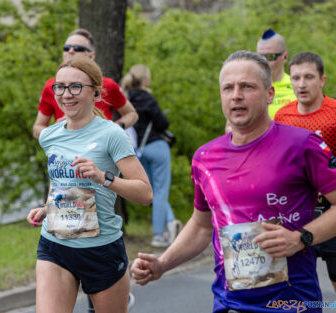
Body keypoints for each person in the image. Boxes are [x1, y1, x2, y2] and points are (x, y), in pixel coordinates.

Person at [131, 50, 336, 313]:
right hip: (230, 304)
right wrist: (162, 263)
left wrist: (301, 238)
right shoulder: (205, 157)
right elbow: (202, 225)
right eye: (228, 88)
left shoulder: (302, 144)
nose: (236, 95)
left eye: (247, 86)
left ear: (269, 94)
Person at [27, 56, 152, 313]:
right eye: (60, 87)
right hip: (55, 244)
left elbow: (145, 193)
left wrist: (103, 177)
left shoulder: (111, 134)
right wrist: (47, 207)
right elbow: (60, 182)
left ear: (95, 93)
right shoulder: (50, 135)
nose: (66, 95)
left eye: (75, 87)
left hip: (100, 249)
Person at [275, 52, 336, 292]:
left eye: (309, 77)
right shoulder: (283, 116)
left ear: (322, 80)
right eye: (296, 77)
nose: (301, 84)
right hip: (297, 212)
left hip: (331, 211)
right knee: (296, 284)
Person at [32, 28, 138, 140]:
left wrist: (112, 129)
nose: (71, 51)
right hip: (67, 151)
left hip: (101, 151)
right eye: (66, 48)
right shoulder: (51, 86)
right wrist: (56, 130)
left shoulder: (107, 85)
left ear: (91, 56)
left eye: (78, 48)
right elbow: (37, 128)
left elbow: (131, 114)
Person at [121, 64, 181, 248]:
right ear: (145, 80)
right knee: (161, 190)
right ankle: (158, 235)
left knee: (153, 191)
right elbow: (162, 123)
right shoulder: (147, 98)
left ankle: (171, 223)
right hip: (157, 146)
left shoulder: (125, 99)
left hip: (137, 150)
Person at [256, 28, 296, 119]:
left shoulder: (297, 86)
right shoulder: (249, 85)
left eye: (270, 56)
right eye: (260, 56)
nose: (264, 61)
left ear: (285, 57)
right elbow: (231, 125)